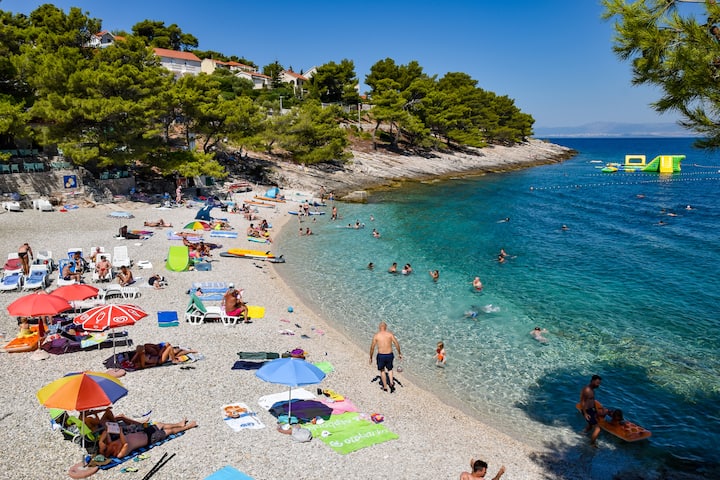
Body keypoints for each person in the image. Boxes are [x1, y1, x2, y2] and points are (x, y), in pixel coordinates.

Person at [99, 416, 197, 458]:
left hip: (143, 432)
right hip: (150, 439)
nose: (105, 444)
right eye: (104, 446)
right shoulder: (119, 454)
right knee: (169, 431)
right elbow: (126, 444)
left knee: (160, 424)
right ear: (107, 451)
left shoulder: (110, 443)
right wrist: (120, 432)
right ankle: (188, 427)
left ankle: (179, 424)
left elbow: (105, 432)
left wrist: (101, 441)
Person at [368, 321, 402, 393]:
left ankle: (385, 387)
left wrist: (371, 357)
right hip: (389, 355)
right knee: (390, 369)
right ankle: (391, 383)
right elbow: (396, 343)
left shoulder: (376, 336)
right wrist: (399, 353)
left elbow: (372, 347)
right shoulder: (390, 334)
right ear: (386, 327)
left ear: (379, 327)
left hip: (381, 355)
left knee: (382, 370)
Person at [579, 374, 603, 447]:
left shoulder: (591, 389)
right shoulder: (587, 390)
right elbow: (582, 401)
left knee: (590, 425)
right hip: (587, 411)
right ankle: (592, 444)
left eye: (599, 383)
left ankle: (581, 433)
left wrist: (595, 410)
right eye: (597, 383)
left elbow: (592, 401)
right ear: (592, 381)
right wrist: (585, 413)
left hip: (591, 410)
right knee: (598, 429)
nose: (598, 385)